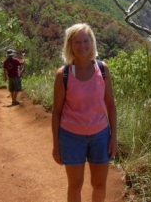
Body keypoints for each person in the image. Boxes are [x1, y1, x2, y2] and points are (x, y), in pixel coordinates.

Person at [52, 23, 117, 202]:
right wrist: (56, 146)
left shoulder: (102, 70)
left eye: (86, 41)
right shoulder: (63, 74)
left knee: (99, 185)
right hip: (71, 137)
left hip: (100, 136)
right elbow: (56, 112)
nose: (82, 46)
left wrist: (114, 137)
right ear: (70, 45)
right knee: (75, 186)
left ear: (92, 43)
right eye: (77, 42)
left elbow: (110, 104)